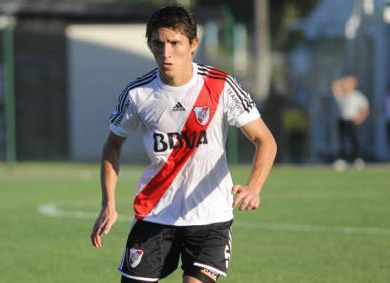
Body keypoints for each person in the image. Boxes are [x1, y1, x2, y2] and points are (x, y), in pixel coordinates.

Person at [90, 5, 277, 283]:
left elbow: (265, 140)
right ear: (150, 45)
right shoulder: (137, 94)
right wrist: (109, 204)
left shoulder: (221, 86)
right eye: (158, 43)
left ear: (193, 44)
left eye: (175, 43)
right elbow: (112, 145)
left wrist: (254, 187)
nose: (166, 53)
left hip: (210, 217)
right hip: (155, 214)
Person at [331, 75, 369, 170]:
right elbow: (334, 85)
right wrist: (343, 80)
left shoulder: (357, 95)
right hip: (342, 119)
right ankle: (341, 159)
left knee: (354, 140)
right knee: (342, 140)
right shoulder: (341, 94)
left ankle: (357, 159)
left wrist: (361, 118)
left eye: (349, 83)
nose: (347, 84)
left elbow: (365, 108)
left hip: (352, 119)